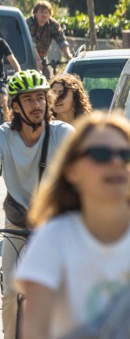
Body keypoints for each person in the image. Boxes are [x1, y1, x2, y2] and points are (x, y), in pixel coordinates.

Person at [0, 71, 75, 339]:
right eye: (28, 100)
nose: (37, 105)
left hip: (55, 224)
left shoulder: (63, 132)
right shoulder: (2, 135)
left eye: (41, 98)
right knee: (11, 294)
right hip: (17, 223)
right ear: (15, 106)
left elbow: (81, 176)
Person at [15, 112, 130, 339]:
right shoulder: (52, 238)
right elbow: (36, 330)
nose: (116, 162)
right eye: (100, 154)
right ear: (72, 171)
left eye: (125, 154)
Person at [26, 0, 73, 75]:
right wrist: (37, 61)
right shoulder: (30, 23)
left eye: (46, 12)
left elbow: (61, 41)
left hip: (43, 58)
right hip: (28, 57)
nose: (44, 15)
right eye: (41, 12)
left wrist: (68, 55)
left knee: (48, 79)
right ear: (35, 13)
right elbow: (31, 44)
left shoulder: (53, 25)